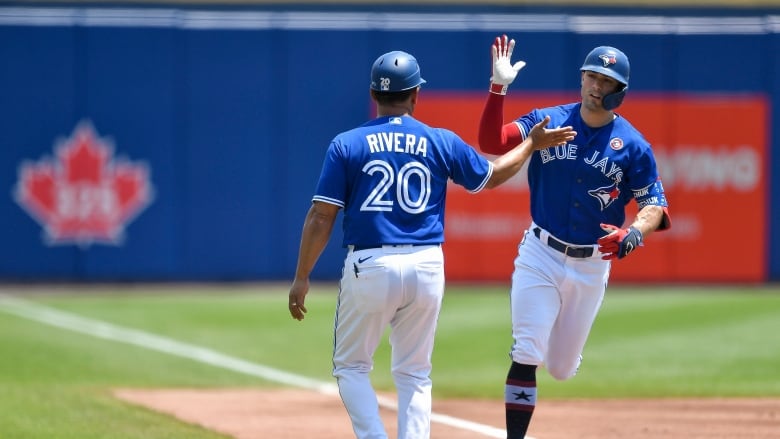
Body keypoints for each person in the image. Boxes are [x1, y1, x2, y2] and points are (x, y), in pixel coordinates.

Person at [288, 49, 576, 439]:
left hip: (370, 263)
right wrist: (531, 145)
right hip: (426, 264)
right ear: (415, 96)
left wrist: (302, 276)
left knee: (352, 368)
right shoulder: (439, 140)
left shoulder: (347, 144)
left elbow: (322, 216)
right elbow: (491, 176)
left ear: (374, 94)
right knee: (414, 372)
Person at [478, 35, 672, 438]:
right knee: (527, 350)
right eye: (592, 77)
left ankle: (564, 351)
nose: (596, 87)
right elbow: (491, 143)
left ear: (620, 92)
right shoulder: (547, 120)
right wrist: (499, 89)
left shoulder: (633, 146)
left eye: (607, 82)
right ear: (581, 77)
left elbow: (654, 205)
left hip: (591, 264)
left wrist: (633, 234)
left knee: (562, 369)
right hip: (540, 253)